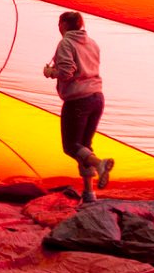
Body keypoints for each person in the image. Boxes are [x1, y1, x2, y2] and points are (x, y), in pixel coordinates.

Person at [44, 11, 111, 204]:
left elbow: (66, 72)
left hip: (78, 100)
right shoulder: (92, 43)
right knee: (84, 148)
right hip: (97, 97)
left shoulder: (66, 43)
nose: (58, 27)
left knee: (71, 146)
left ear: (64, 24)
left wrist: (50, 72)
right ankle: (89, 194)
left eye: (59, 23)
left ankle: (100, 164)